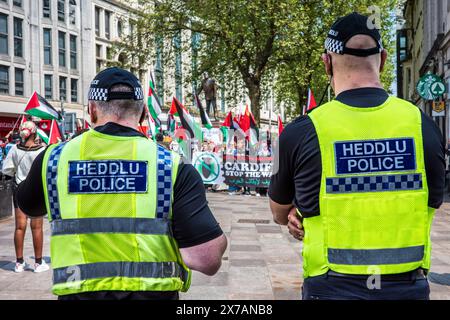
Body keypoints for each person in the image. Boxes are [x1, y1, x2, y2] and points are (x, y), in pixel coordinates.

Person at [269, 12, 445, 300]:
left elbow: (278, 211)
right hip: (406, 288)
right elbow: (432, 200)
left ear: (327, 62)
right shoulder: (423, 126)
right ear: (384, 59)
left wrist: (297, 212)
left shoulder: (298, 132)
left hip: (329, 288)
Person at [17, 67, 227, 300]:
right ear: (144, 113)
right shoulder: (172, 166)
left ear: (92, 110)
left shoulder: (54, 159)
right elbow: (205, 259)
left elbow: (28, 206)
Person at [2, 121, 48, 273]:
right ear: (34, 133)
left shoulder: (14, 149)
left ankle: (19, 263)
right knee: (37, 227)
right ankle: (38, 263)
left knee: (19, 227)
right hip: (36, 190)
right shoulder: (42, 150)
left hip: (19, 189)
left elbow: (7, 170)